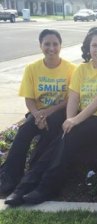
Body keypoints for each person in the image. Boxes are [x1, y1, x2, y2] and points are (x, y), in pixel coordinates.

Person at [4, 27, 97, 206]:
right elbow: (74, 97)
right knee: (60, 139)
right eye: (94, 45)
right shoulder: (82, 69)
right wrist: (70, 119)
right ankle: (22, 188)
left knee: (69, 135)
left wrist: (75, 121)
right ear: (88, 47)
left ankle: (45, 188)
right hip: (84, 119)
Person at [0, 29, 76, 195]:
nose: (51, 48)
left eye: (55, 44)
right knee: (24, 131)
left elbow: (70, 99)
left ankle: (34, 174)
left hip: (59, 112)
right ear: (40, 46)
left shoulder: (71, 69)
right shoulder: (32, 68)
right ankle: (10, 176)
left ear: (60, 45)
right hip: (37, 113)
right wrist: (37, 115)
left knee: (50, 132)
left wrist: (47, 113)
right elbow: (29, 98)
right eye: (47, 44)